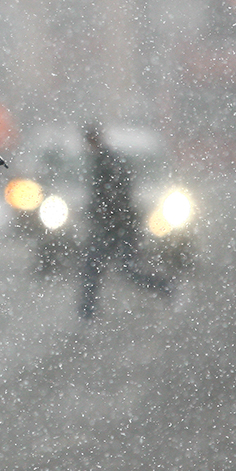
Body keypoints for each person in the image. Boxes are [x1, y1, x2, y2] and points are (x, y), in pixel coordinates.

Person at [77, 122, 171, 322]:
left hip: (116, 227)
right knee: (101, 269)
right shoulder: (103, 161)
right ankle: (87, 313)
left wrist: (106, 215)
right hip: (115, 227)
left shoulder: (107, 162)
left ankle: (165, 287)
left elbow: (116, 197)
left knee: (118, 270)